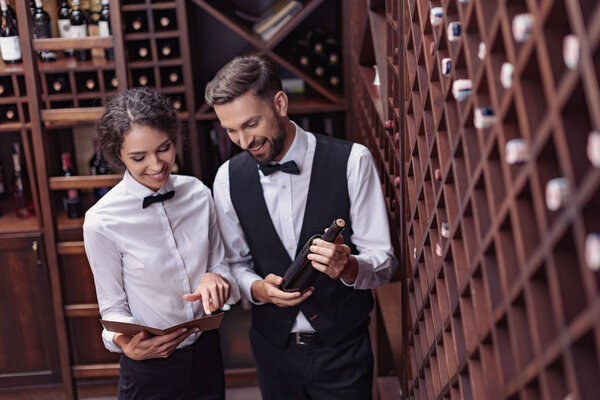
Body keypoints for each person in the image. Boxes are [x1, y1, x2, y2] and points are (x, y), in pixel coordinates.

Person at [206, 54, 397, 400]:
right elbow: (234, 265)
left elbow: (383, 262)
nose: (243, 141)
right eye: (231, 130)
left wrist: (349, 265)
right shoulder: (226, 178)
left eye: (250, 125)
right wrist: (257, 290)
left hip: (343, 352)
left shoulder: (353, 161)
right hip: (272, 353)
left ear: (280, 103)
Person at [83, 87, 239, 400]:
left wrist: (215, 276)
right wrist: (129, 346)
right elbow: (113, 308)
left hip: (206, 351)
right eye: (139, 158)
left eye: (164, 148)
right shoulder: (101, 221)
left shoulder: (198, 193)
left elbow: (220, 263)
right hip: (151, 364)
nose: (156, 166)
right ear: (118, 156)